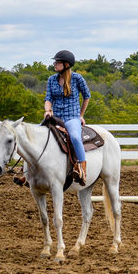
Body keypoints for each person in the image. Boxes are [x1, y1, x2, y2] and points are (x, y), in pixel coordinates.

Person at [44, 50, 91, 184]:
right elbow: (48, 98)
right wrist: (48, 110)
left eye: (57, 62)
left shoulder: (77, 78)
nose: (55, 64)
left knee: (75, 137)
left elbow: (87, 96)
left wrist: (80, 115)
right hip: (56, 117)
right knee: (36, 134)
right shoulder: (51, 79)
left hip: (71, 117)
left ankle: (82, 169)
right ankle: (28, 172)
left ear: (66, 64)